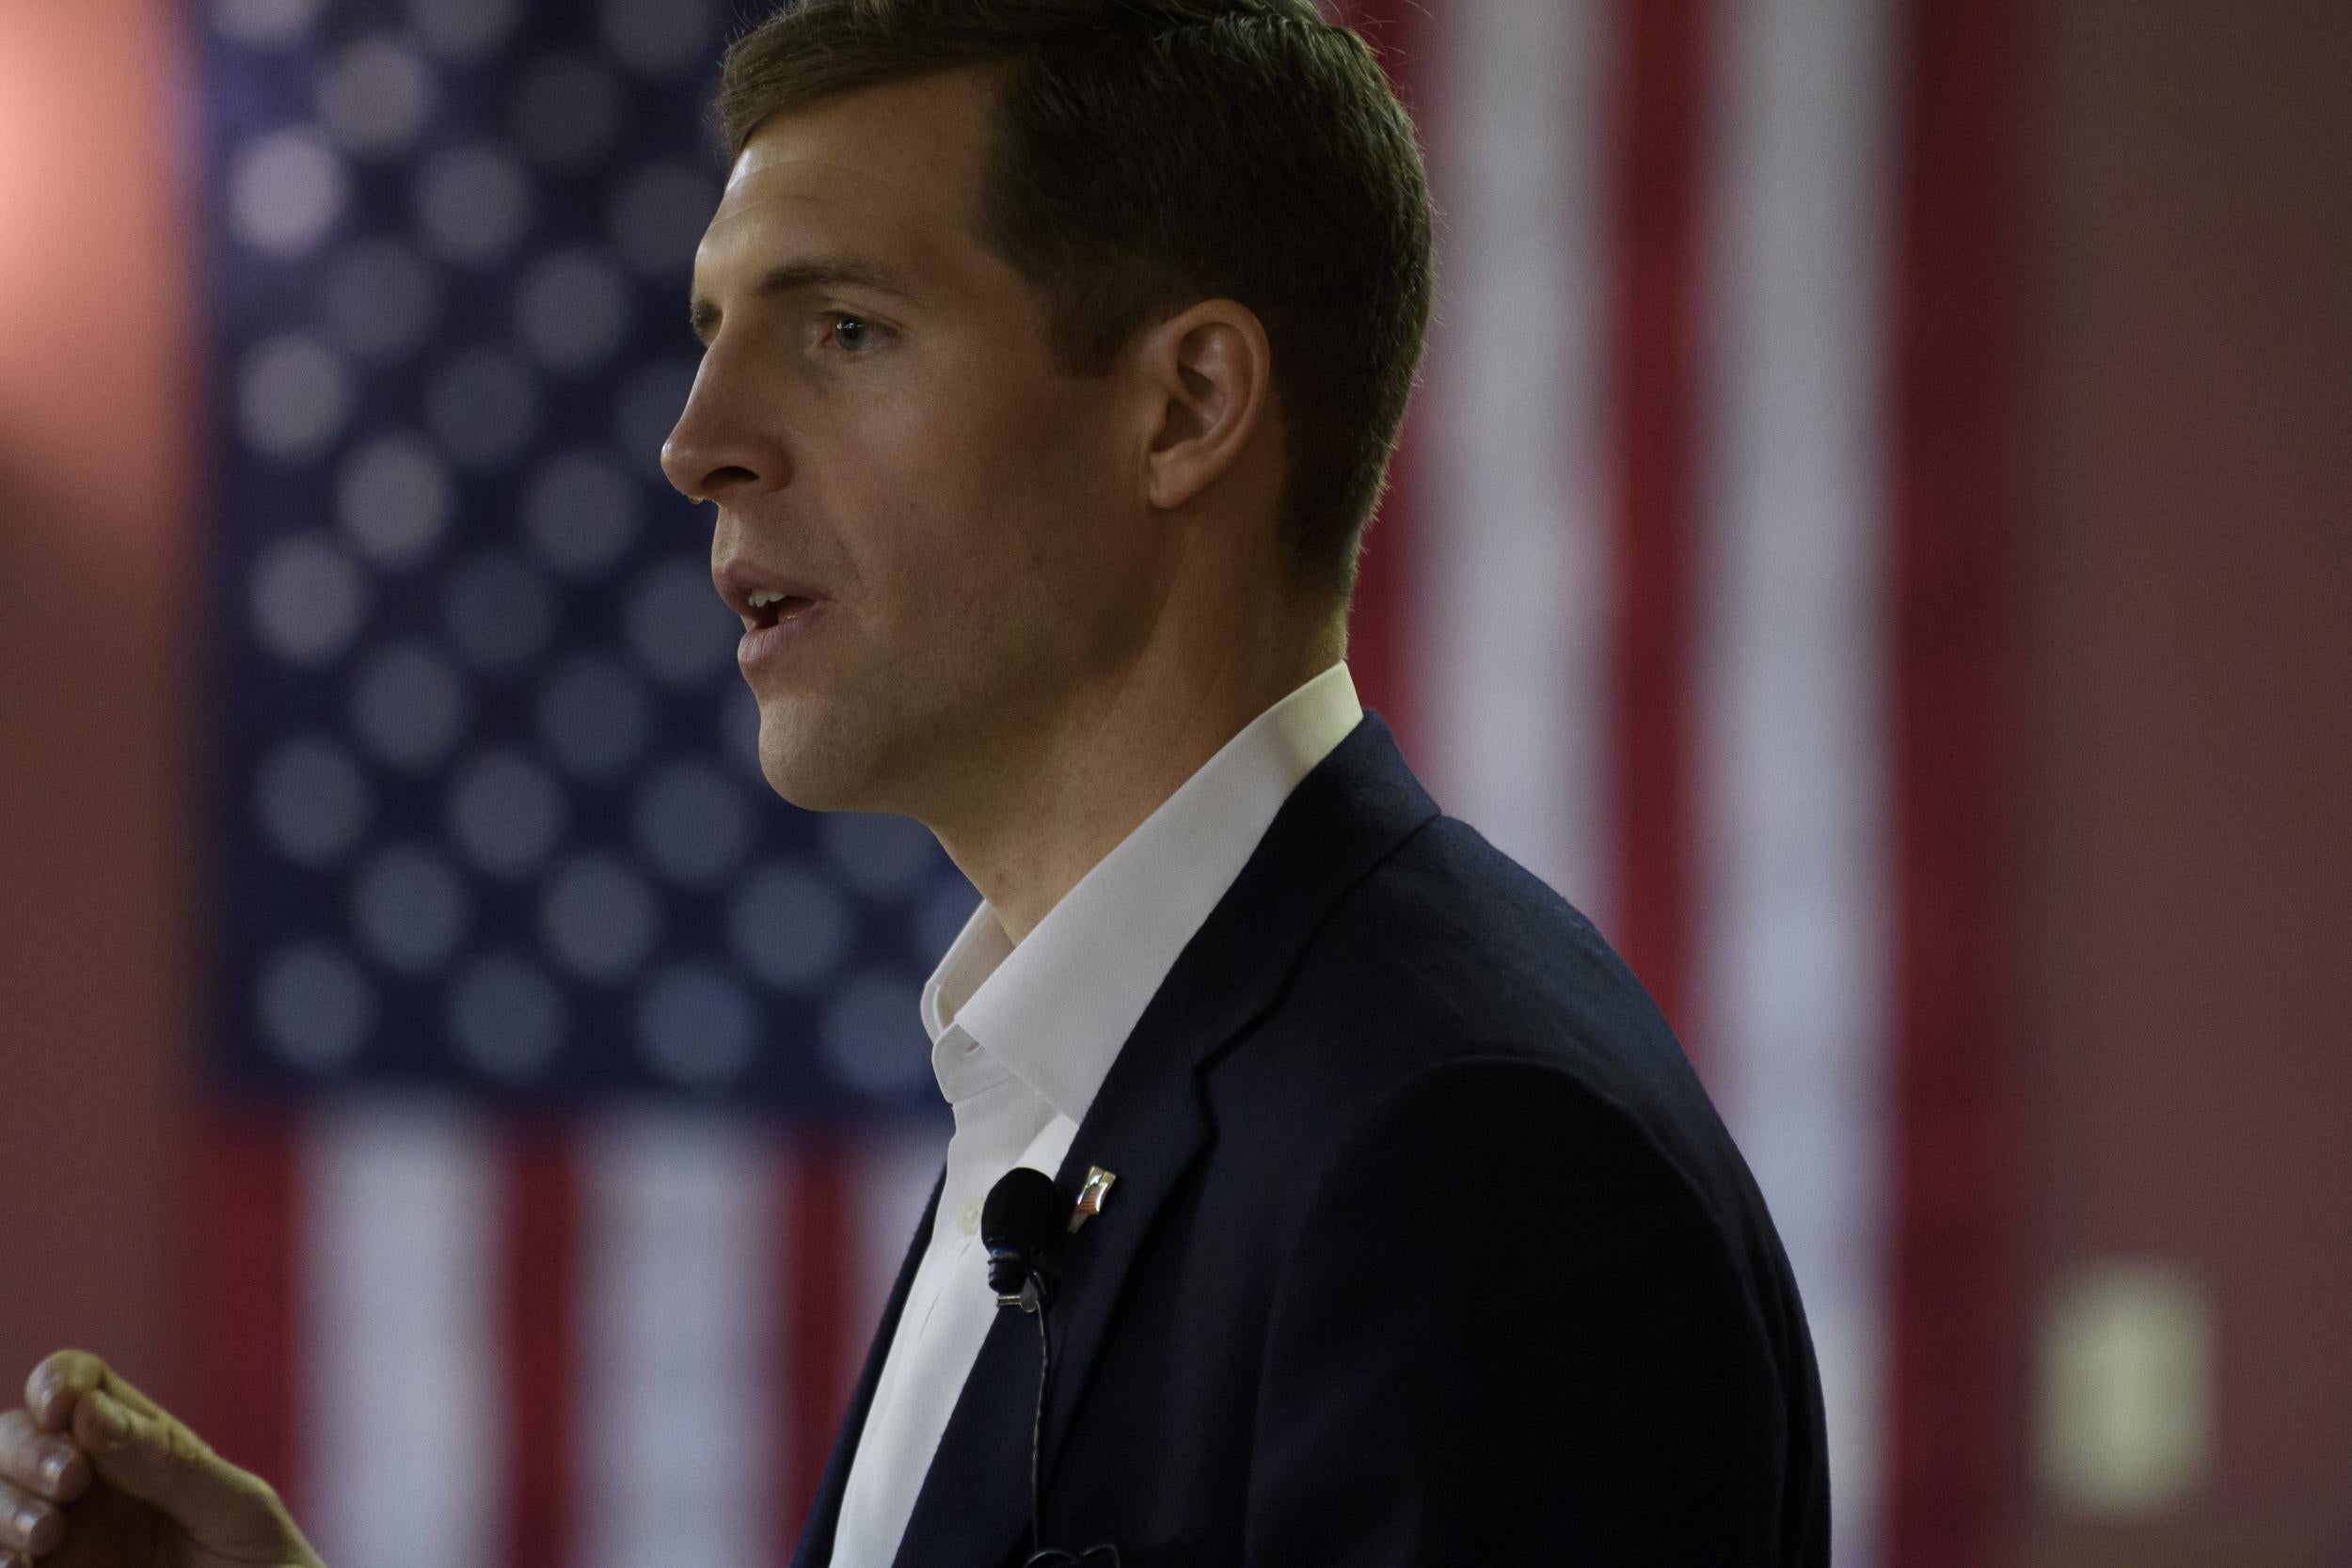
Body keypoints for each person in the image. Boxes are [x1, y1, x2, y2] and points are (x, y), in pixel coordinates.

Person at [1, 1, 1832, 1563]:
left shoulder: (1463, 1156)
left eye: (843, 329)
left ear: (1184, 406)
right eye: (710, 329)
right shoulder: (1099, 1064)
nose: (698, 442)